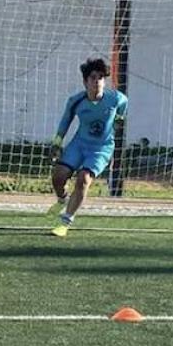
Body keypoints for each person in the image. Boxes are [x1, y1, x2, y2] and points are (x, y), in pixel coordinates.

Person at [47, 57, 128, 237]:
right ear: (85, 81)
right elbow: (65, 121)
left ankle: (65, 222)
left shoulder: (115, 98)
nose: (97, 81)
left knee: (83, 179)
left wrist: (118, 120)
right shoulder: (76, 101)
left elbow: (124, 106)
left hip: (101, 148)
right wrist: (57, 143)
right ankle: (62, 199)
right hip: (79, 144)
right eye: (93, 77)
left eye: (101, 77)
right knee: (58, 176)